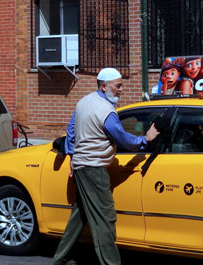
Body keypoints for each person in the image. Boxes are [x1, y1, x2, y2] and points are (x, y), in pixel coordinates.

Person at [53, 68, 160, 265]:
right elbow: (122, 138)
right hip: (94, 169)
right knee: (105, 218)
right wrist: (145, 139)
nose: (121, 89)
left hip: (81, 167)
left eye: (121, 85)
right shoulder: (106, 111)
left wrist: (72, 158)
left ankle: (59, 259)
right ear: (104, 86)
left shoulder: (83, 102)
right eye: (117, 86)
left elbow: (70, 132)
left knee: (80, 216)